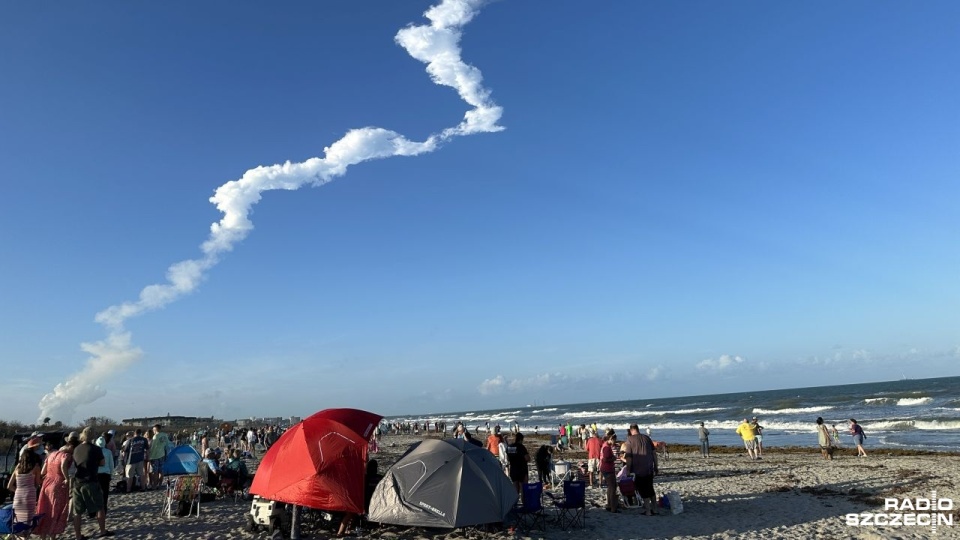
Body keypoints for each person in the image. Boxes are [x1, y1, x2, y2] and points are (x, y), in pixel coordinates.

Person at [72, 427, 114, 538]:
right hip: (90, 480)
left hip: (77, 481)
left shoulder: (76, 449)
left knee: (78, 511)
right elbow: (102, 463)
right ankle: (102, 531)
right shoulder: (95, 449)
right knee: (99, 507)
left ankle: (78, 535)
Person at [35, 437, 74, 540]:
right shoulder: (64, 455)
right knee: (55, 510)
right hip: (57, 483)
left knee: (44, 508)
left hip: (47, 483)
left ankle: (43, 535)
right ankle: (52, 536)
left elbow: (43, 471)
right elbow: (63, 466)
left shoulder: (50, 455)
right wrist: (66, 478)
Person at [622, 424, 658, 516]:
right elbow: (654, 454)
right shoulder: (647, 438)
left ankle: (648, 510)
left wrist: (628, 469)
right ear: (638, 429)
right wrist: (656, 466)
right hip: (649, 467)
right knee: (650, 488)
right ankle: (655, 509)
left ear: (631, 430)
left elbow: (629, 457)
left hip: (638, 469)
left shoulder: (630, 440)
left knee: (643, 490)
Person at [6, 447, 43, 530]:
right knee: (27, 521)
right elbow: (38, 483)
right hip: (29, 495)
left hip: (18, 496)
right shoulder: (36, 468)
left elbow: (9, 486)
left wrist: (18, 491)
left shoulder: (17, 469)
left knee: (18, 521)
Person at [96, 432, 116, 514]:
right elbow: (111, 464)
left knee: (96, 492)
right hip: (105, 474)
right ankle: (104, 508)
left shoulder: (94, 451)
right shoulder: (108, 452)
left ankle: (96, 509)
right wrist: (111, 474)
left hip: (96, 474)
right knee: (105, 492)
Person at [124, 428, 148, 493]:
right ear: (141, 433)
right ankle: (143, 487)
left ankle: (128, 489)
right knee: (141, 474)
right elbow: (147, 449)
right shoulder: (144, 439)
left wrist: (124, 460)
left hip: (131, 460)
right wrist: (147, 457)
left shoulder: (130, 440)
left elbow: (125, 451)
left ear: (135, 433)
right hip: (140, 459)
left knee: (129, 476)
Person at [599, 430, 619, 513]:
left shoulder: (605, 446)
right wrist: (613, 458)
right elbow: (605, 459)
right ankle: (613, 507)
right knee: (612, 487)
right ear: (611, 439)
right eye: (614, 440)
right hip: (607, 469)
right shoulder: (607, 447)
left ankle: (609, 505)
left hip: (605, 469)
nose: (615, 442)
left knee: (610, 487)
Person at [505, 433, 530, 497]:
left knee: (515, 486)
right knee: (523, 487)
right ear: (521, 439)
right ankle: (524, 502)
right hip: (521, 469)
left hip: (513, 468)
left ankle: (515, 502)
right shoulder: (521, 447)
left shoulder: (510, 447)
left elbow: (507, 458)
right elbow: (527, 458)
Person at [147, 424, 170, 489]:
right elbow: (167, 445)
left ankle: (154, 485)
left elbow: (152, 447)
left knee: (155, 471)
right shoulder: (164, 435)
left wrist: (149, 456)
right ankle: (159, 484)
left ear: (155, 429)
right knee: (161, 471)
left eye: (153, 429)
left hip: (155, 456)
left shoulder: (155, 437)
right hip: (162, 454)